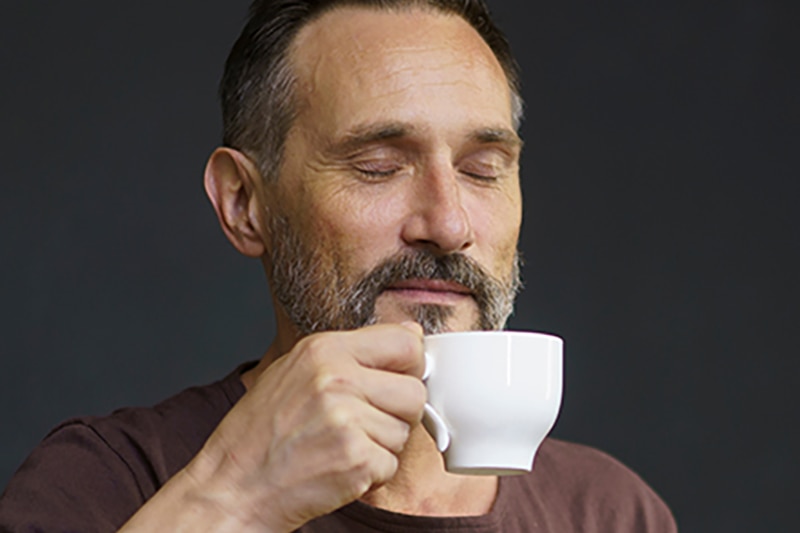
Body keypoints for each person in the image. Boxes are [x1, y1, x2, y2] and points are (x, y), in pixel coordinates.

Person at [0, 1, 677, 531]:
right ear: (244, 204)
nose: (447, 223)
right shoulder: (106, 484)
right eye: (377, 167)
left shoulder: (615, 513)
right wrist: (235, 496)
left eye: (482, 169)